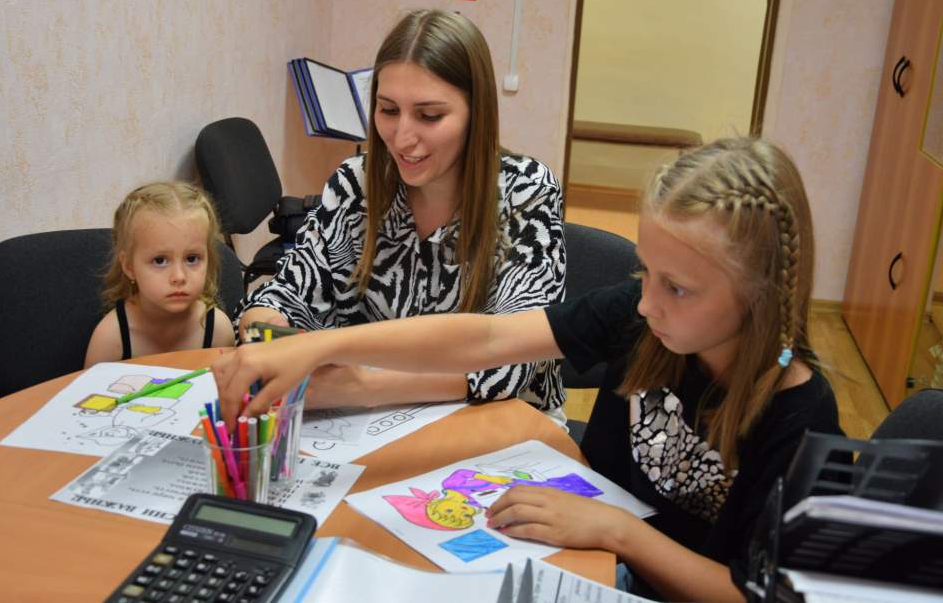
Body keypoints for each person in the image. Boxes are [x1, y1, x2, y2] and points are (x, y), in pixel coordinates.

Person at [213, 138, 843, 601]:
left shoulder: (801, 417)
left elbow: (758, 595)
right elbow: (487, 336)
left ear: (759, 292)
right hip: (579, 557)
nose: (646, 302)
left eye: (676, 287)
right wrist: (317, 347)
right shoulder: (643, 318)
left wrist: (620, 533)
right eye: (645, 273)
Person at [234, 8, 566, 418]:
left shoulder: (527, 192)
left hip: (499, 419)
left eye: (429, 116)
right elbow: (289, 291)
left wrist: (363, 387)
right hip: (367, 424)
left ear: (476, 114)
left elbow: (518, 356)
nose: (403, 138)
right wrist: (265, 327)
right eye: (388, 110)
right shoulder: (355, 184)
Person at [84, 181, 235, 367]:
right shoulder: (111, 338)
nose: (179, 277)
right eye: (160, 261)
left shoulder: (218, 330)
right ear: (129, 266)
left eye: (192, 258)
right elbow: (90, 387)